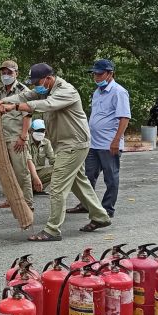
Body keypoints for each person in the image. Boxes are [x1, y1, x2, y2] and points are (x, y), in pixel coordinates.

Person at [0, 63, 111, 241]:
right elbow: (25, 95)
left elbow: (46, 105)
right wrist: (4, 101)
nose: (35, 86)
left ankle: (52, 230)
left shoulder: (66, 91)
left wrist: (15, 108)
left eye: (37, 82)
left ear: (48, 78)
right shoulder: (45, 88)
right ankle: (100, 217)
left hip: (74, 144)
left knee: (57, 187)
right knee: (79, 183)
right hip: (64, 144)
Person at [67, 60, 130, 219]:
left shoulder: (118, 92)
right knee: (87, 176)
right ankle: (86, 204)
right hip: (93, 143)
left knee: (111, 178)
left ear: (110, 74)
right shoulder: (97, 92)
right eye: (94, 74)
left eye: (99, 74)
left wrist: (116, 141)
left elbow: (124, 118)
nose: (96, 77)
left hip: (109, 144)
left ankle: (107, 209)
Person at [0, 60, 33, 210]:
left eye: (9, 72)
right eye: (3, 72)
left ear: (16, 73)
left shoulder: (23, 91)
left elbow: (28, 115)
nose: (6, 75)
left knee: (21, 171)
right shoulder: (0, 91)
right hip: (3, 137)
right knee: (6, 171)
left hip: (16, 137)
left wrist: (23, 136)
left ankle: (28, 202)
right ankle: (11, 199)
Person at [27, 119, 55, 194]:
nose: (40, 133)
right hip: (27, 173)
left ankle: (38, 189)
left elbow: (52, 159)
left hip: (39, 172)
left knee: (58, 169)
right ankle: (29, 188)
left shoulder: (46, 142)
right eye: (38, 130)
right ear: (31, 131)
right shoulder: (26, 141)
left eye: (42, 131)